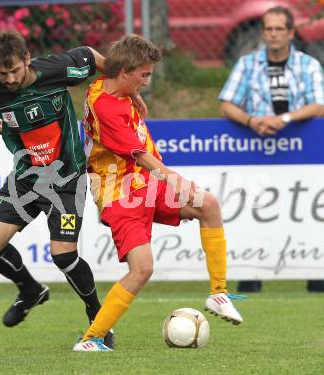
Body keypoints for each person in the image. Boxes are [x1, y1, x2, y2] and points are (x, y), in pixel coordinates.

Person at [73, 34, 243, 352]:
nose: (148, 82)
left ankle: (219, 293)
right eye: (144, 75)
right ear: (124, 72)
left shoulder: (108, 83)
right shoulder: (106, 108)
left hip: (143, 185)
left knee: (208, 204)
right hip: (119, 194)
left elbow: (98, 58)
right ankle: (91, 339)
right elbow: (141, 155)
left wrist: (133, 94)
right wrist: (176, 181)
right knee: (142, 270)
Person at [0, 30, 141, 347]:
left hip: (67, 179)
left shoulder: (56, 70)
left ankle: (97, 316)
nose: (9, 79)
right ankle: (30, 290)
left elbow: (91, 56)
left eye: (15, 70)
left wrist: (126, 91)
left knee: (63, 256)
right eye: (3, 73)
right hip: (26, 178)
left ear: (27, 59)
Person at [219, 6, 324, 293]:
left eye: (279, 29)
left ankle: (316, 279)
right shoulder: (247, 64)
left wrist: (284, 119)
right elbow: (227, 104)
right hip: (257, 152)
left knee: (307, 215)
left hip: (303, 155)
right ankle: (250, 281)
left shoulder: (308, 65)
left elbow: (318, 105)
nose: (273, 34)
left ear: (291, 33)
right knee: (256, 214)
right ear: (263, 33)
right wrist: (251, 120)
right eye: (268, 29)